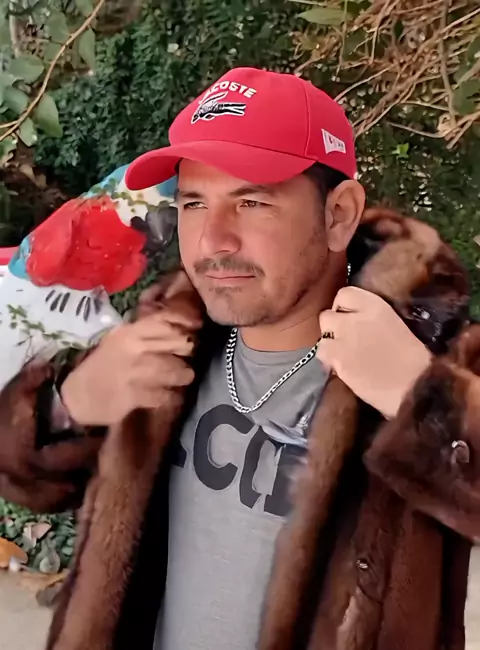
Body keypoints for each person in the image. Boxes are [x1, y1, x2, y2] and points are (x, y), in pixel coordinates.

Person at [0, 67, 478, 650]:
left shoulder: (438, 356)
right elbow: (23, 476)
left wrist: (420, 398)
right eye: (194, 203)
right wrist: (67, 405)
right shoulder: (168, 334)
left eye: (251, 201)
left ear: (338, 214)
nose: (212, 241)